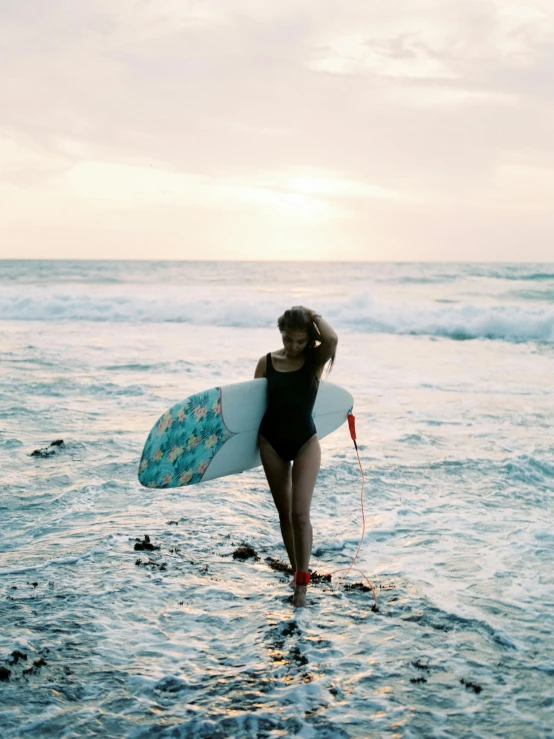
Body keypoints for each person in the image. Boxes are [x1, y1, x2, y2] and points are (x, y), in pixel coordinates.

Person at [254, 306, 338, 607]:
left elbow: (332, 340)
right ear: (282, 334)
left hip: (305, 442)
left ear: (308, 340)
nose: (293, 347)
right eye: (289, 340)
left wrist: (314, 316)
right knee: (285, 514)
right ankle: (295, 571)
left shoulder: (313, 361)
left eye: (300, 342)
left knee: (301, 515)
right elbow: (252, 409)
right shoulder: (266, 363)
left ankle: (302, 586)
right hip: (271, 443)